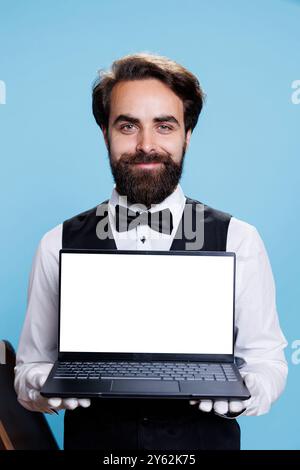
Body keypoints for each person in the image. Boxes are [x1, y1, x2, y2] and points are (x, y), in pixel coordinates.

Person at [14, 53, 288, 450]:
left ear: (187, 135)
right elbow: (28, 371)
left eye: (164, 126)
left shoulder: (238, 239)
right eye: (128, 126)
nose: (146, 145)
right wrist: (43, 386)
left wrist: (243, 393)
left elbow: (267, 360)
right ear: (104, 133)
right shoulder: (56, 242)